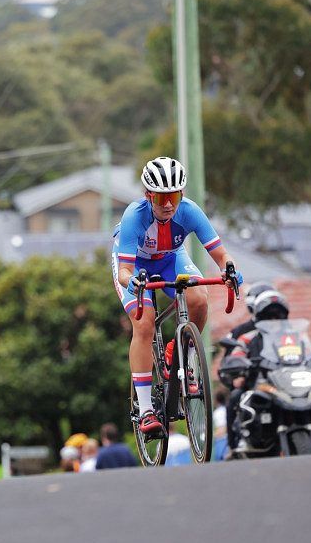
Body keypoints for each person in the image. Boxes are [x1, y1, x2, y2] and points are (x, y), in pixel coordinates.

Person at [113, 156, 242, 436]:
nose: (168, 204)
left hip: (171, 258)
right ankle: (146, 409)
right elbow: (124, 271)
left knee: (198, 299)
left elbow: (221, 254)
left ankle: (181, 351)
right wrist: (132, 282)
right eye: (161, 198)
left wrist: (229, 268)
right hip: (136, 265)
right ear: (149, 196)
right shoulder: (134, 217)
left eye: (173, 195)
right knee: (144, 324)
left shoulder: (190, 211)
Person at [223, 289, 291, 454]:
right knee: (235, 397)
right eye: (270, 317)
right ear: (260, 318)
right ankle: (234, 446)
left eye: (277, 317)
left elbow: (308, 353)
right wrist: (239, 373)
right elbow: (237, 353)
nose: (274, 321)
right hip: (258, 385)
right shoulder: (248, 337)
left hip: (288, 384)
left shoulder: (292, 337)